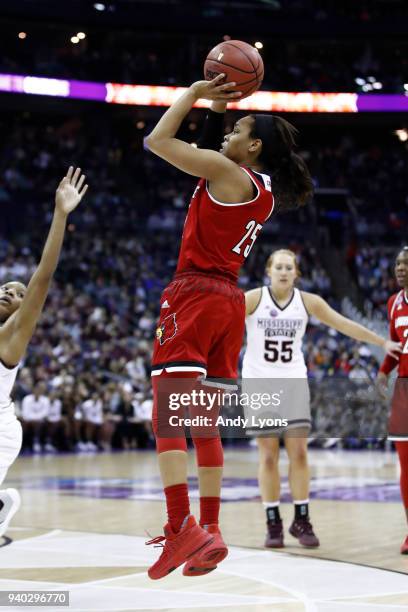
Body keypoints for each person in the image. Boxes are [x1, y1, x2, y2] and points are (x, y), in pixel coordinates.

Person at [144, 74, 314, 580]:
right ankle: (211, 531)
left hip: (194, 294)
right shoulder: (260, 190)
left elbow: (157, 141)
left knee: (168, 421)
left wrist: (195, 93)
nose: (226, 135)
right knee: (203, 424)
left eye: (236, 128)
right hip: (227, 303)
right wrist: (218, 110)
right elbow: (213, 156)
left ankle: (181, 529)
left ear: (253, 144)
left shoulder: (225, 170)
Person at [243, 249, 401, 549]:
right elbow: (220, 323)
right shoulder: (252, 299)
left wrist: (382, 341)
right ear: (268, 271)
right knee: (268, 455)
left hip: (293, 382)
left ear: (296, 273)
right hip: (259, 382)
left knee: (299, 453)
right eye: (278, 267)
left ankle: (301, 519)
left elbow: (343, 323)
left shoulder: (307, 301)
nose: (284, 272)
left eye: (289, 267)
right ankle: (272, 521)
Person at [0, 167, 88, 538]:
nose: (8, 292)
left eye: (18, 293)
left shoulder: (11, 335)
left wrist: (60, 215)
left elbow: (43, 278)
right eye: (4, 287)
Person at [377, 246, 408, 554]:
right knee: (405, 464)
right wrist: (383, 372)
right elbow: (395, 344)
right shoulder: (393, 303)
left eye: (406, 263)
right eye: (398, 263)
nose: (400, 268)